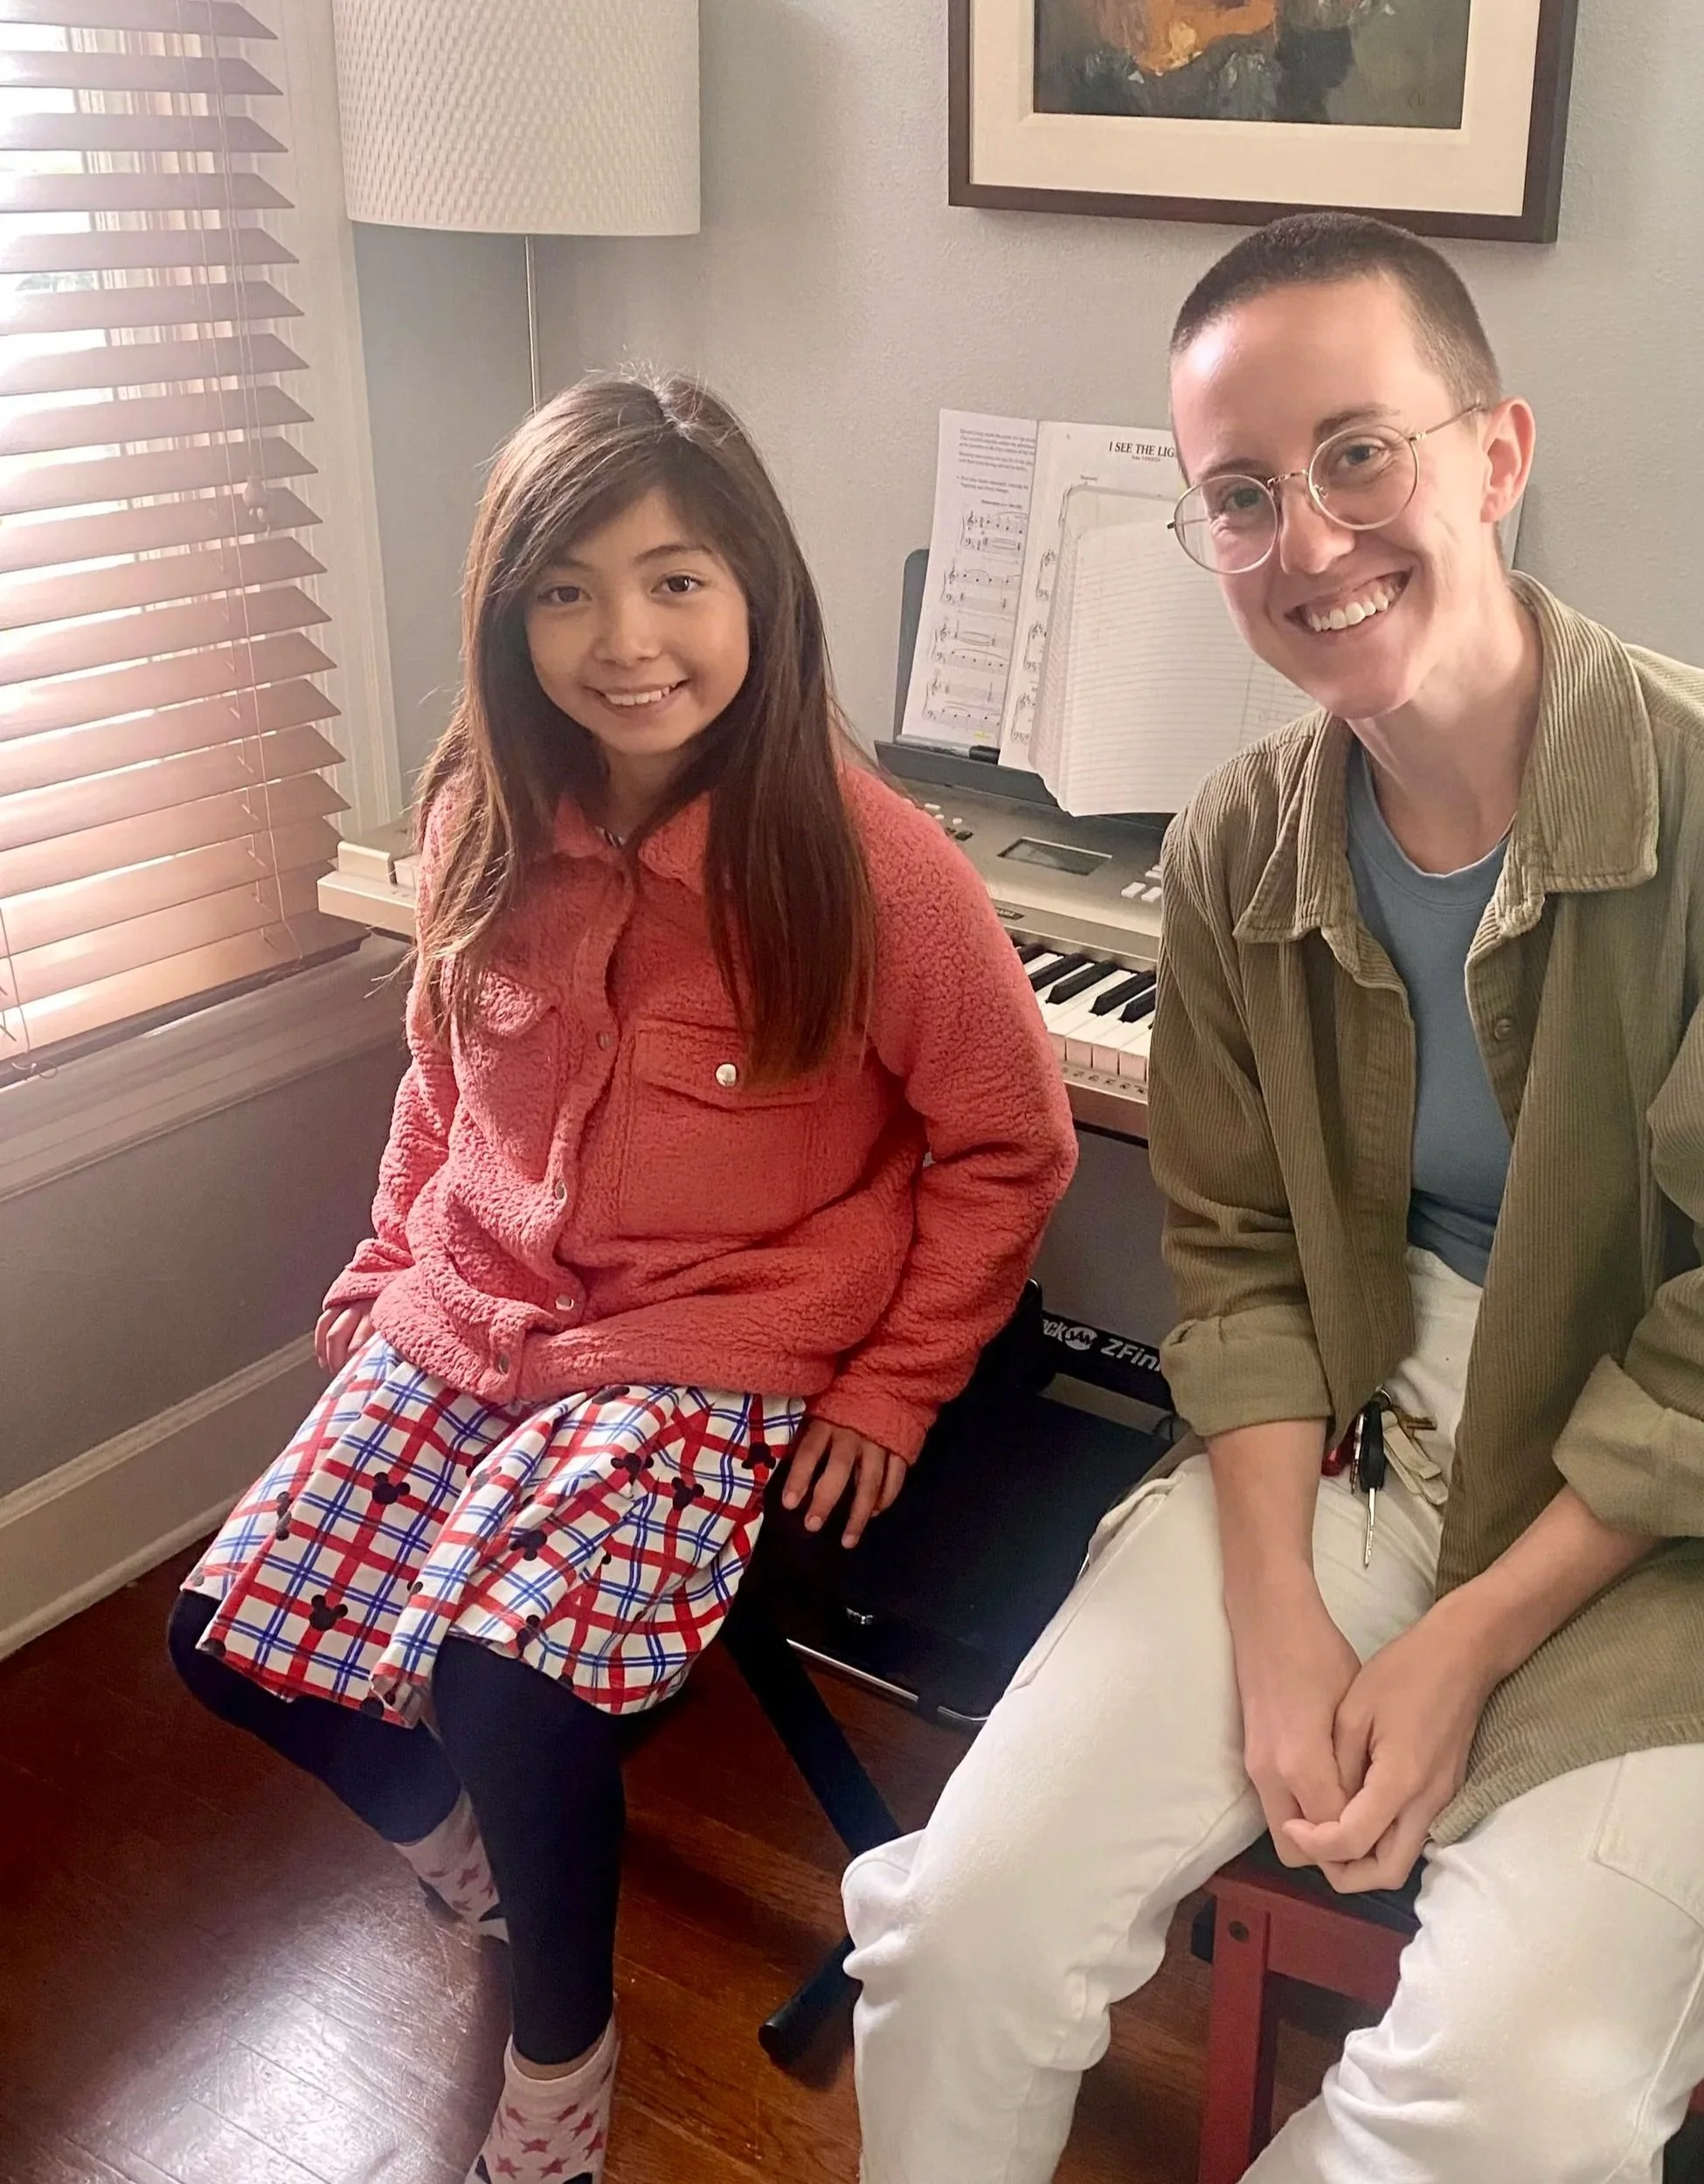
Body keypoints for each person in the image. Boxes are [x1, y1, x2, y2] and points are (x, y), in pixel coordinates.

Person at [842, 213, 1704, 2182]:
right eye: (1240, 495)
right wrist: (1280, 1616)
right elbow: (1243, 1259)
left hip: (1702, 1530)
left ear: (1495, 453)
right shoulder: (1231, 850)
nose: (1307, 537)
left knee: (1504, 2106)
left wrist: (1454, 1646)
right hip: (1370, 1423)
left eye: (1358, 453)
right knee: (959, 1925)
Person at [169, 375, 1077, 2184]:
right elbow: (442, 1069)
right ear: (508, 616)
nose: (624, 638)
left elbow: (1011, 1144)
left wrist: (891, 1385)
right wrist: (380, 1260)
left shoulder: (876, 864)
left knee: (502, 1676)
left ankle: (560, 2063)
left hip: (708, 1345)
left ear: (757, 594)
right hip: (478, 1301)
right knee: (227, 1639)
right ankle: (479, 1853)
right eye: (565, 589)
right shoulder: (476, 812)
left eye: (675, 581)